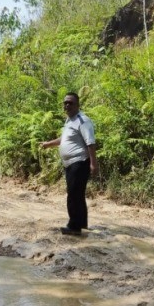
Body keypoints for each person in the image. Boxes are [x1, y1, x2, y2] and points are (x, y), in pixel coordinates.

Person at [40, 92, 98, 236]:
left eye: (70, 103)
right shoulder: (69, 121)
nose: (67, 105)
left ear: (78, 105)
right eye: (65, 102)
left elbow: (90, 143)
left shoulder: (82, 120)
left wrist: (93, 164)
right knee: (77, 195)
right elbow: (64, 139)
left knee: (73, 195)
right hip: (71, 164)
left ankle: (74, 226)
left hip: (79, 162)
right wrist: (48, 144)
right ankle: (81, 224)